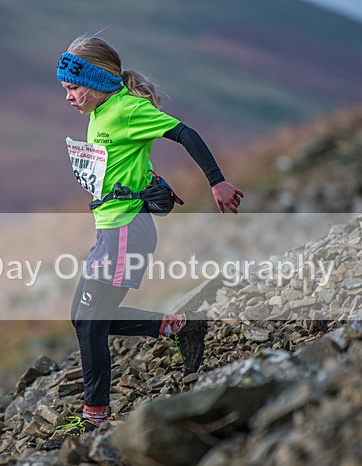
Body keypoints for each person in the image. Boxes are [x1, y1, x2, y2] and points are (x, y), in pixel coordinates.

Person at [56, 36, 243, 431]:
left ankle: (95, 420)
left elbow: (185, 134)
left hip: (127, 231)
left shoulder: (126, 109)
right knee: (84, 317)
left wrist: (218, 182)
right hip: (111, 231)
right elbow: (124, 161)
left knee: (90, 323)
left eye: (74, 88)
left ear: (98, 80)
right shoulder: (98, 111)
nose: (69, 97)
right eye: (65, 89)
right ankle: (180, 326)